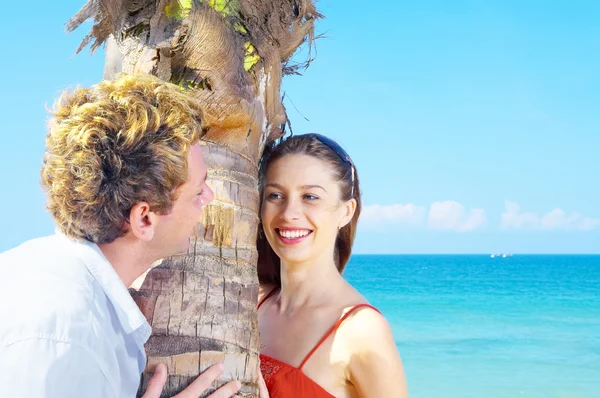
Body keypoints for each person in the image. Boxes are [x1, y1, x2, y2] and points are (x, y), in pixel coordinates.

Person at [0, 74, 242, 398]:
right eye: (197, 191)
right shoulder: (69, 335)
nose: (209, 196)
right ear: (144, 219)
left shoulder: (44, 279)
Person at [256, 134, 408, 397]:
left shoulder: (361, 329)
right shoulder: (245, 301)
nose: (289, 213)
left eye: (310, 197)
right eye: (276, 195)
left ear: (346, 212)